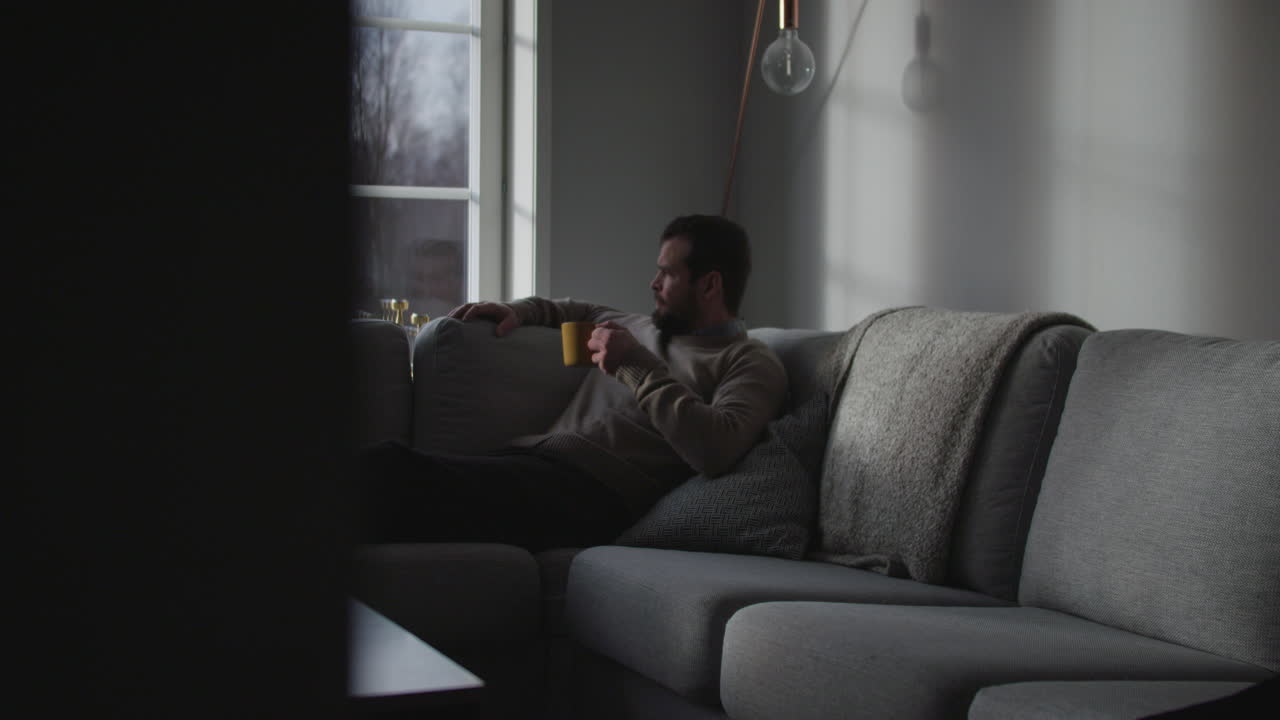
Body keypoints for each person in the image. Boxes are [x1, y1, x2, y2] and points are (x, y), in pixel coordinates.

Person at [351, 214, 787, 551]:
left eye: (668, 273)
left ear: (710, 284)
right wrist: (518, 311)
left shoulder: (749, 360)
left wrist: (634, 365)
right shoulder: (635, 323)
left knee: (392, 474)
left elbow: (717, 448)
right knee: (395, 479)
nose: (652, 283)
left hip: (595, 494)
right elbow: (574, 309)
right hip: (536, 465)